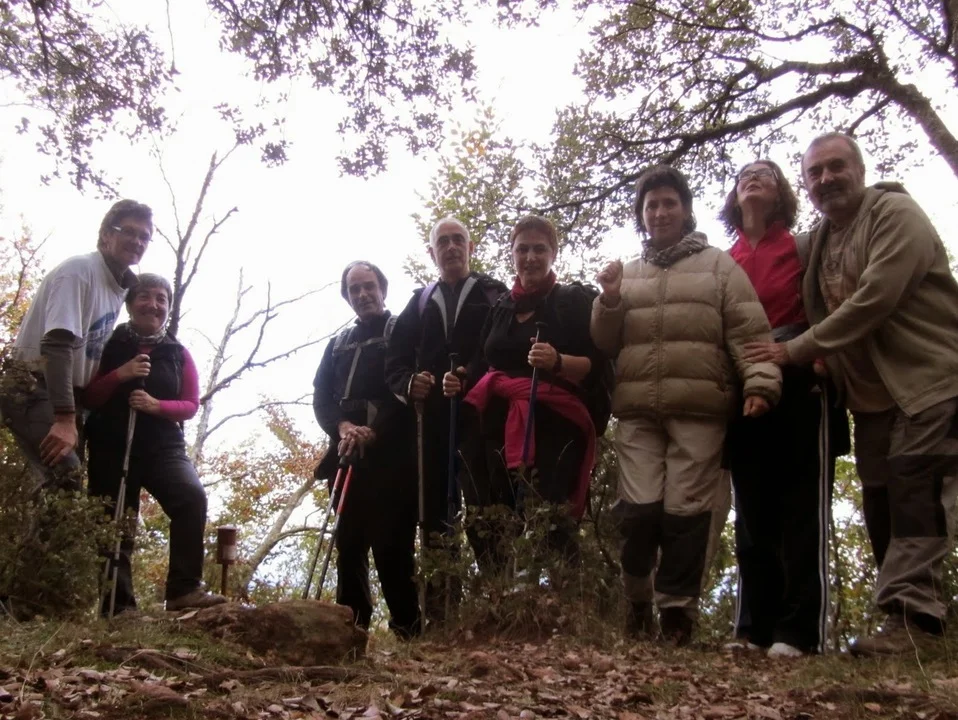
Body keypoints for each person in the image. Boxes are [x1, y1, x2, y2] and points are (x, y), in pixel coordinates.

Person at [745, 133, 958, 657]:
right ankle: (910, 627)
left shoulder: (895, 214)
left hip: (928, 381)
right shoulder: (821, 240)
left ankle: (915, 619)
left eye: (836, 167)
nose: (826, 179)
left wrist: (796, 351)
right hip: (871, 398)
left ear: (860, 170)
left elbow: (874, 299)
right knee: (882, 501)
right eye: (815, 173)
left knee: (916, 490)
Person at [591, 165, 782, 645]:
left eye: (668, 203)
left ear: (686, 210)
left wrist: (760, 383)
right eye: (651, 205)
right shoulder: (627, 274)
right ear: (641, 215)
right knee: (637, 515)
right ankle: (638, 602)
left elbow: (748, 330)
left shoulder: (719, 266)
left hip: (700, 410)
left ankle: (676, 616)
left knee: (686, 515)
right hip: (637, 411)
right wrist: (609, 299)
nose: (660, 212)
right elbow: (605, 342)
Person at [721, 159, 850, 658]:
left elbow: (834, 301)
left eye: (766, 174)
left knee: (801, 507)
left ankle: (798, 632)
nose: (753, 179)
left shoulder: (804, 248)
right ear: (734, 196)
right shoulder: (724, 261)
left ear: (781, 194)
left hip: (800, 383)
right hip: (743, 389)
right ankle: (754, 628)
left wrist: (821, 356)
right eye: (744, 176)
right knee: (752, 510)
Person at [442, 215, 604, 578]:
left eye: (539, 249)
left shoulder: (572, 301)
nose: (530, 257)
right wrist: (462, 377)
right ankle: (504, 597)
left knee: (551, 518)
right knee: (495, 516)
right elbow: (483, 359)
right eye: (523, 249)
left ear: (554, 253)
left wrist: (557, 361)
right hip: (496, 425)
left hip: (555, 427)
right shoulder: (501, 307)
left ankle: (563, 598)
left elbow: (598, 364)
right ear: (512, 254)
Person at [385, 217, 507, 624]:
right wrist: (410, 384)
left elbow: (501, 346)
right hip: (432, 424)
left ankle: (497, 607)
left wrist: (471, 374)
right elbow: (395, 361)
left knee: (486, 508)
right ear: (432, 252)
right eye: (443, 242)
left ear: (471, 247)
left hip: (481, 420)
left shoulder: (493, 294)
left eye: (458, 240)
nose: (451, 247)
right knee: (435, 514)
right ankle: (441, 614)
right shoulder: (419, 303)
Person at [84, 273, 226, 614]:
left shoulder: (177, 353)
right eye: (145, 296)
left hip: (163, 446)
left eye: (161, 299)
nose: (153, 304)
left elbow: (190, 404)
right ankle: (118, 606)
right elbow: (88, 395)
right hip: (111, 444)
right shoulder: (109, 344)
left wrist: (155, 406)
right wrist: (120, 374)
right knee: (115, 519)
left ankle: (183, 590)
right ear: (130, 304)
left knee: (190, 497)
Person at [0, 200, 152, 492]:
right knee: (66, 475)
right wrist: (64, 417)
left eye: (144, 236)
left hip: (68, 396)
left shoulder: (119, 286)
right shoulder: (80, 271)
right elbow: (56, 344)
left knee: (61, 490)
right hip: (32, 387)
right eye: (129, 231)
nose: (137, 241)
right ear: (106, 234)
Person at [312, 261, 420, 639]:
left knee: (393, 546)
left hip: (393, 456)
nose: (362, 295)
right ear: (347, 297)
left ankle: (408, 630)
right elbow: (322, 397)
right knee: (349, 544)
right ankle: (352, 632)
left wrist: (374, 431)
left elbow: (404, 390)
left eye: (369, 286)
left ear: (382, 289)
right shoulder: (338, 344)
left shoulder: (401, 331)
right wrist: (342, 427)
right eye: (354, 289)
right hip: (345, 453)